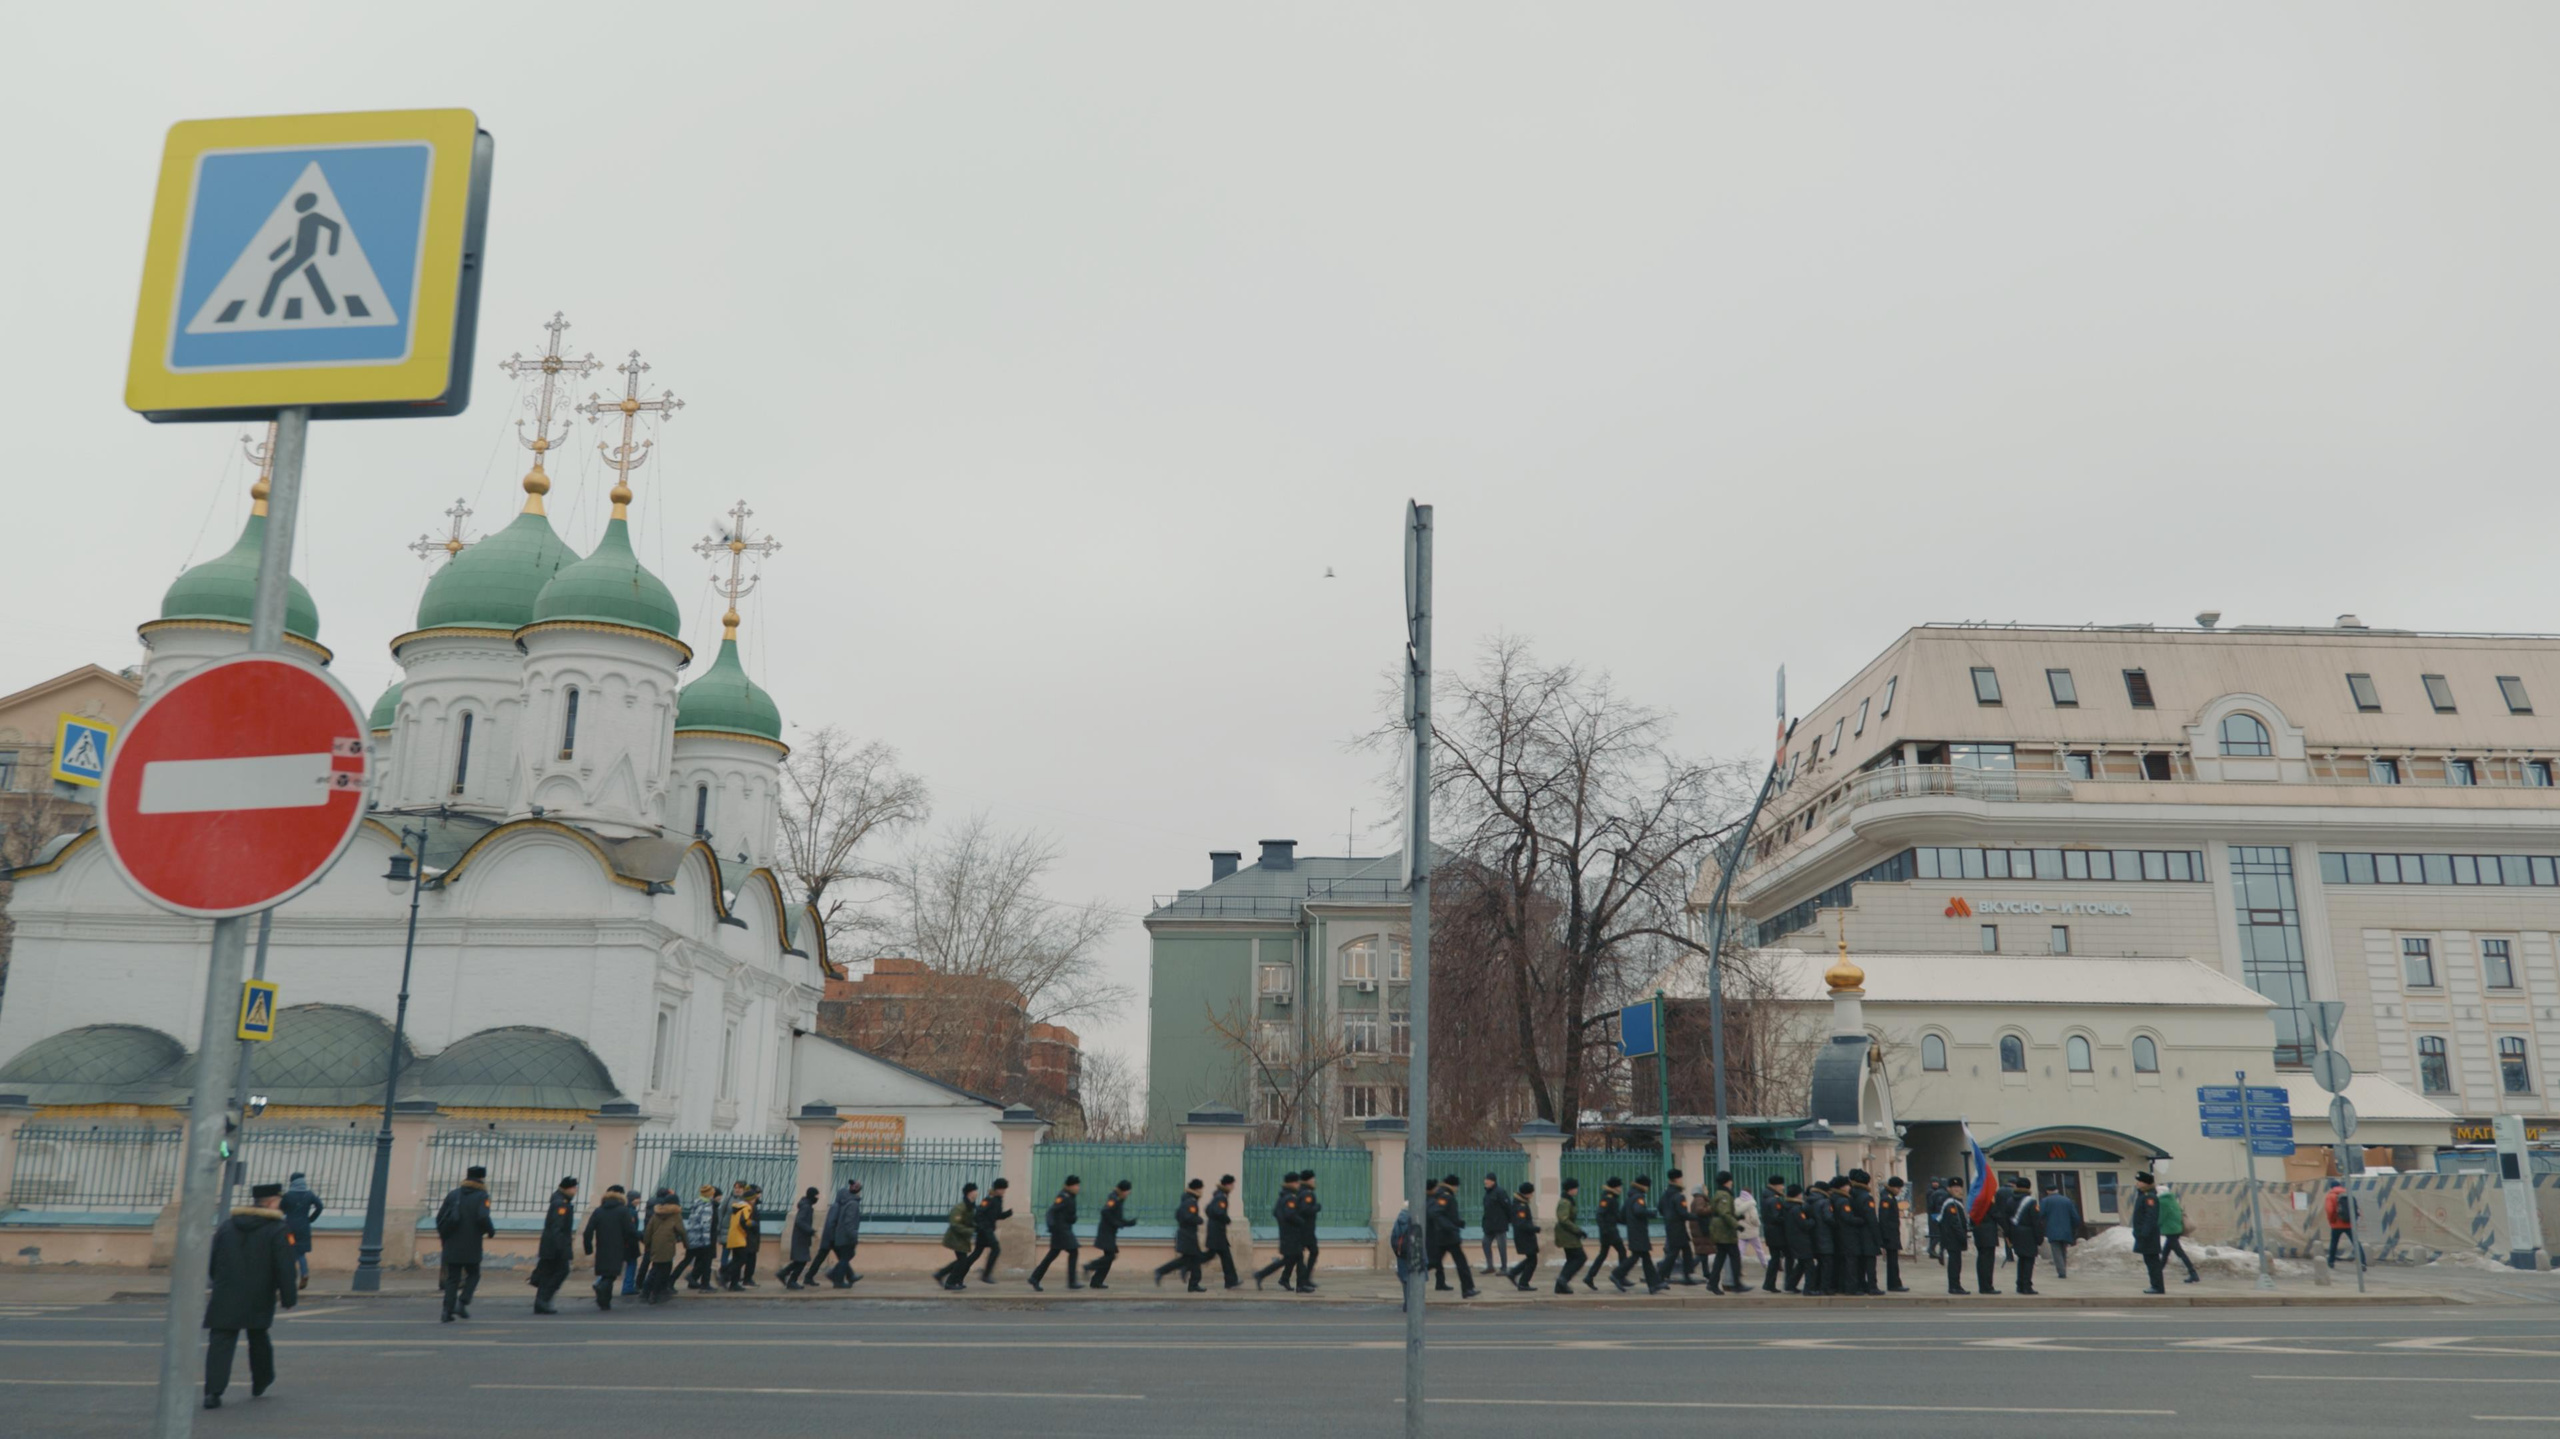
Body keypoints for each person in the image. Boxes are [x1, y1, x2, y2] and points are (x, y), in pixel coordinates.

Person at [202, 1181, 296, 1409]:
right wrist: (288, 1296)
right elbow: (285, 1267)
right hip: (259, 1294)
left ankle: (213, 1393)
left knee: (221, 1341)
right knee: (258, 1337)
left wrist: (220, 1282)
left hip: (226, 1292)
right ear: (273, 1202)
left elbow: (213, 1262)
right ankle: (261, 1382)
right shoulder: (278, 1229)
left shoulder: (227, 1226)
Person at [434, 1164, 495, 1322]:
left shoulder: (454, 1194)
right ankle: (462, 1302)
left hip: (451, 1243)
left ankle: (446, 1311)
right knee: (473, 1274)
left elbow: (440, 1217)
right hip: (471, 1243)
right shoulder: (482, 1196)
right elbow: (482, 1217)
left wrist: (445, 1237)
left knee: (452, 1278)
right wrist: (490, 1231)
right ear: (481, 1178)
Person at [583, 1184, 639, 1310]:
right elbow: (630, 1231)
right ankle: (602, 1293)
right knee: (611, 1275)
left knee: (606, 1274)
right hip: (618, 1247)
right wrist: (636, 1240)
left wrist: (588, 1248)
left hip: (602, 1247)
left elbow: (588, 1231)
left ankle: (604, 1302)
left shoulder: (598, 1210)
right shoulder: (623, 1211)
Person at [530, 1175, 579, 1314]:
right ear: (567, 1188)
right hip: (556, 1246)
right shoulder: (561, 1204)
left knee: (547, 1273)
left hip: (551, 1245)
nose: (575, 1190)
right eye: (574, 1188)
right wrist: (561, 1247)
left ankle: (541, 1302)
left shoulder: (560, 1201)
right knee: (562, 1271)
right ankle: (544, 1299)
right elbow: (557, 1227)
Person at [1427, 1173, 1480, 1298]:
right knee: (1461, 1264)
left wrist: (1458, 1222)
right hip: (1448, 1236)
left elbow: (1446, 1214)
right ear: (1453, 1185)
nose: (1457, 1189)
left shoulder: (1443, 1193)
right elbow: (1437, 1213)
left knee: (1433, 1261)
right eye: (1457, 1186)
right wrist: (1451, 1226)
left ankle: (1409, 1275)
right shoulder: (1446, 1196)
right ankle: (1467, 1289)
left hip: (1445, 1236)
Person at [1028, 1175, 1083, 1291]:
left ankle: (1035, 1278)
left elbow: (1067, 1214)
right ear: (1070, 1186)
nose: (1078, 1188)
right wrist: (1051, 1226)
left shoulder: (1070, 1196)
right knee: (1073, 1251)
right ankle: (1071, 1282)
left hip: (1063, 1230)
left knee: (1052, 1255)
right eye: (1076, 1185)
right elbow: (1051, 1211)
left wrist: (1072, 1218)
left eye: (1078, 1185)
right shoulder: (1063, 1196)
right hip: (1060, 1231)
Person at [1254, 1172, 1303, 1291]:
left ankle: (1284, 1279)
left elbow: (1276, 1212)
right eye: (1297, 1182)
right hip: (1291, 1234)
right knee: (1291, 1259)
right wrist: (1302, 1221)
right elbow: (1290, 1215)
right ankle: (1261, 1274)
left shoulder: (1282, 1196)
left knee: (1294, 1257)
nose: (1298, 1185)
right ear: (1292, 1183)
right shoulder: (1290, 1198)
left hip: (1287, 1233)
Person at [1155, 1178, 1208, 1291]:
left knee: (1192, 1259)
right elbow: (1188, 1217)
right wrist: (1199, 1220)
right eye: (1201, 1188)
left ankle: (1192, 1282)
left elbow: (1179, 1215)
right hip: (1188, 1235)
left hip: (1186, 1234)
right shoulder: (1191, 1202)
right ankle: (1162, 1271)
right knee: (1189, 1260)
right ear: (1197, 1189)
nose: (1202, 1191)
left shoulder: (1186, 1199)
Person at [1615, 1174, 1664, 1294]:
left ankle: (1654, 1284)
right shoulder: (1638, 1198)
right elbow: (1639, 1211)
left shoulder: (1630, 1197)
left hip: (1634, 1231)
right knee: (1635, 1257)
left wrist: (1630, 1223)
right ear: (1645, 1186)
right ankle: (1616, 1274)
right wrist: (1651, 1214)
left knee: (1645, 1258)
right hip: (1639, 1232)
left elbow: (1620, 1216)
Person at [277, 1172, 323, 1291]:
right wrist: (310, 1219)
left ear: (292, 1182)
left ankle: (290, 1278)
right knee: (301, 1253)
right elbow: (320, 1206)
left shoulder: (287, 1195)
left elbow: (280, 1210)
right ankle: (305, 1273)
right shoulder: (309, 1194)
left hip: (290, 1229)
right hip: (304, 1227)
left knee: (290, 1250)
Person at [642, 1189, 686, 1303]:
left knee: (655, 1268)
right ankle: (655, 1293)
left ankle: (645, 1291)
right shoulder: (676, 1215)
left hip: (655, 1245)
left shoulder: (656, 1213)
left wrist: (647, 1243)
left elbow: (648, 1230)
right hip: (667, 1245)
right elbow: (682, 1231)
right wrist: (687, 1244)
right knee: (664, 1269)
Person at [1087, 1179, 1132, 1289]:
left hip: (1110, 1232)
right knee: (1110, 1256)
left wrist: (1127, 1223)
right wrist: (1117, 1223)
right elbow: (1105, 1211)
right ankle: (1090, 1267)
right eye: (1128, 1190)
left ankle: (1096, 1281)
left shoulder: (1118, 1198)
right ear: (1123, 1190)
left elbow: (1116, 1216)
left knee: (1109, 1256)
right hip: (1106, 1232)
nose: (1129, 1193)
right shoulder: (1114, 1198)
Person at [820, 1178, 865, 1289]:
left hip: (842, 1236)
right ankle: (837, 1280)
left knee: (846, 1258)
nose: (854, 1186)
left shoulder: (846, 1202)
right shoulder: (852, 1204)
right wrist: (854, 1237)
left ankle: (842, 1277)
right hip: (846, 1237)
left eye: (856, 1185)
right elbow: (849, 1223)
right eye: (853, 1185)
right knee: (845, 1258)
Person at [935, 1183, 980, 1290]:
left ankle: (940, 1274)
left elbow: (969, 1221)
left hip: (962, 1238)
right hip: (956, 1238)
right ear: (970, 1193)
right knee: (962, 1261)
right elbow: (955, 1224)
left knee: (961, 1261)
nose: (977, 1193)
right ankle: (950, 1282)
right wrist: (971, 1230)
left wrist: (976, 1226)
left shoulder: (970, 1206)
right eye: (975, 1191)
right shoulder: (960, 1207)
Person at [1703, 1172, 1742, 1294]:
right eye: (1731, 1180)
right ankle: (1736, 1283)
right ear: (1727, 1181)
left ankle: (1713, 1283)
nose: (1732, 1183)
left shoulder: (1721, 1193)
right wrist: (1737, 1225)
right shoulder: (1724, 1195)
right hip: (1724, 1232)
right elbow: (1724, 1213)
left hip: (1721, 1230)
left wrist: (1738, 1217)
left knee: (1720, 1257)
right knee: (1735, 1256)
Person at [1844, 1170, 1882, 1296]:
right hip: (1867, 1235)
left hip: (1854, 1234)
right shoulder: (1866, 1197)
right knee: (1870, 1263)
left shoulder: (1849, 1196)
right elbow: (1871, 1219)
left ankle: (1860, 1285)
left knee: (1859, 1263)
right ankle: (1872, 1286)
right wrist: (1878, 1238)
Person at [2130, 1171, 2168, 1295]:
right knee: (2150, 1261)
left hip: (2149, 1236)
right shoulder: (2143, 1195)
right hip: (2145, 1234)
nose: (2137, 1183)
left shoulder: (2149, 1197)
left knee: (2153, 1262)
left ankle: (2157, 1286)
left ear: (2145, 1183)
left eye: (2139, 1181)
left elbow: (2150, 1217)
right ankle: (2155, 1285)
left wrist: (2144, 1233)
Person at [970, 1177, 1013, 1284]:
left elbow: (996, 1215)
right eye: (1002, 1189)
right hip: (985, 1230)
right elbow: (979, 1213)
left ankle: (952, 1273)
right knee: (996, 1249)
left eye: (1004, 1189)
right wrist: (983, 1227)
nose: (1004, 1191)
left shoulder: (998, 1199)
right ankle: (986, 1275)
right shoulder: (989, 1199)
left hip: (987, 1230)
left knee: (976, 1254)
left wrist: (1007, 1214)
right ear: (997, 1189)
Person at [1202, 1173, 1242, 1288]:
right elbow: (1218, 1212)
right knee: (1219, 1257)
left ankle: (1231, 1281)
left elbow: (1208, 1209)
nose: (1233, 1186)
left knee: (1224, 1257)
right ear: (1228, 1184)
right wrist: (1227, 1219)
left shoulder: (1218, 1195)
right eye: (1232, 1184)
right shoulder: (1221, 1197)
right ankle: (1188, 1265)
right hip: (1217, 1233)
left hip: (1217, 1232)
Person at [1933, 1176, 1971, 1295]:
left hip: (1953, 1238)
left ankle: (1956, 1285)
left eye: (1959, 1187)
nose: (1957, 1190)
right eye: (1954, 1187)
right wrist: (1962, 1236)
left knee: (1956, 1263)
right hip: (1952, 1238)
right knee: (1954, 1264)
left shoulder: (1955, 1201)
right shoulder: (1950, 1203)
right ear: (1949, 1189)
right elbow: (1955, 1223)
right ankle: (1954, 1286)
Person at [1659, 1169, 1697, 1284]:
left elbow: (1660, 1208)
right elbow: (1683, 1213)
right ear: (1677, 1179)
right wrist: (1697, 1217)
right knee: (1674, 1253)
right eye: (1681, 1178)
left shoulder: (1665, 1194)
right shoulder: (1679, 1196)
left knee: (1685, 1251)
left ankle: (1686, 1275)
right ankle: (1660, 1276)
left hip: (1670, 1227)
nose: (1682, 1180)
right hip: (1678, 1228)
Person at [2006, 1177, 2043, 1295]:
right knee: (2028, 1261)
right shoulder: (2031, 1202)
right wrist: (2039, 1237)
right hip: (2028, 1234)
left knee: (2021, 1259)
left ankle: (2020, 1285)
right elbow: (2036, 1221)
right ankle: (2027, 1286)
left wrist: (2009, 1235)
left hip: (2015, 1232)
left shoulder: (2010, 1200)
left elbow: (2006, 1219)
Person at [1552, 1177, 1589, 1293]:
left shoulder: (1569, 1200)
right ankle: (1562, 1279)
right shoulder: (1565, 1202)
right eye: (1575, 1188)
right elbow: (1563, 1219)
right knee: (1580, 1257)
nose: (1577, 1190)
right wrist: (1578, 1230)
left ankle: (1560, 1285)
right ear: (1570, 1189)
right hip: (1566, 1234)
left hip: (1568, 1233)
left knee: (1572, 1258)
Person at [1970, 1177, 2005, 1299]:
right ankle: (1987, 1287)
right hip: (1988, 1234)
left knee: (1982, 1260)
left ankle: (1983, 1286)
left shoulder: (1975, 1200)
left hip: (1979, 1233)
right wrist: (2007, 1228)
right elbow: (1997, 1215)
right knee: (1987, 1262)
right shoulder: (1987, 1201)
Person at [1588, 1178, 1626, 1290]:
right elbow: (1599, 1214)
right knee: (1622, 1251)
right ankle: (1620, 1276)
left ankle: (1589, 1277)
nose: (1621, 1188)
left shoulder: (1612, 1198)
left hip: (1610, 1230)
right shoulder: (1608, 1198)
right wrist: (1604, 1229)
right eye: (1619, 1186)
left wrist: (1625, 1221)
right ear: (1615, 1187)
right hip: (1609, 1232)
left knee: (1603, 1255)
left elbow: (1614, 1216)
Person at [779, 1186, 820, 1289]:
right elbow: (799, 1221)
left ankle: (783, 1273)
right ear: (811, 1196)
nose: (817, 1198)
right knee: (802, 1260)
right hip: (800, 1238)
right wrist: (811, 1231)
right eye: (816, 1196)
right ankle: (792, 1281)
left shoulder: (806, 1205)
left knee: (799, 1261)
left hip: (802, 1237)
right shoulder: (806, 1207)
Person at [719, 1184, 758, 1290]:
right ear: (750, 1200)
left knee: (737, 1259)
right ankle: (724, 1275)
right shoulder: (746, 1208)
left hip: (733, 1236)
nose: (754, 1201)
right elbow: (743, 1222)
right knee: (741, 1260)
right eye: (753, 1199)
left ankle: (734, 1284)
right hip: (741, 1237)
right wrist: (752, 1223)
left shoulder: (737, 1206)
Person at [2162, 1183, 2201, 1284]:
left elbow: (2160, 1217)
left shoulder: (2162, 1202)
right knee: (2166, 1252)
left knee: (2179, 1253)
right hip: (2176, 1230)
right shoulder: (2172, 1201)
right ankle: (2157, 1272)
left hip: (2170, 1231)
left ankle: (2193, 1273)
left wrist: (2154, 1226)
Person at [682, 1185, 720, 1290]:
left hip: (700, 1236)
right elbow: (706, 1224)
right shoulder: (708, 1205)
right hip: (706, 1237)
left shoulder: (699, 1204)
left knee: (703, 1260)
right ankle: (704, 1284)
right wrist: (706, 1240)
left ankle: (694, 1279)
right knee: (706, 1261)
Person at [1804, 1178, 1837, 1295]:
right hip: (1825, 1236)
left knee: (1819, 1263)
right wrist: (1837, 1223)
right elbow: (1828, 1218)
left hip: (1813, 1237)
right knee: (1827, 1264)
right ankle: (1824, 1288)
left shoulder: (1807, 1201)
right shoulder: (1825, 1202)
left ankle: (1814, 1286)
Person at [2041, 1184, 2080, 1279]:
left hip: (2052, 1229)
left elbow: (2040, 1215)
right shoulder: (2067, 1200)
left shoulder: (2045, 1201)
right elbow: (2075, 1217)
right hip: (2066, 1230)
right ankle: (2063, 1268)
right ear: (2057, 1190)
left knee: (2056, 1250)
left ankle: (2061, 1271)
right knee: (2063, 1250)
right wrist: (2074, 1227)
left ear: (2047, 1191)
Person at [1879, 1175, 1910, 1292]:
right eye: (1898, 1188)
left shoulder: (1890, 1197)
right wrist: (1886, 1236)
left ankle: (1895, 1282)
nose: (1899, 1191)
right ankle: (1894, 1284)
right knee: (1892, 1261)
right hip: (1890, 1234)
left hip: (1892, 1233)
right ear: (1892, 1187)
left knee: (1894, 1260)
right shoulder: (1887, 1198)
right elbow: (1884, 1218)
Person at [1479, 1173, 1515, 1277]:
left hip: (1500, 1224)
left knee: (1501, 1246)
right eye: (1485, 1180)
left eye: (1487, 1181)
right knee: (1485, 1243)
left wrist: (1508, 1220)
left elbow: (1508, 1207)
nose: (1485, 1182)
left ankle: (1504, 1268)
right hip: (1489, 1225)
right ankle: (1490, 1266)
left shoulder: (1500, 1192)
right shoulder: (1487, 1193)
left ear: (1493, 1181)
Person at [1508, 1181, 1541, 1290]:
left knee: (1531, 1259)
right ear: (1527, 1193)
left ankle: (1513, 1273)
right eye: (1531, 1193)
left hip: (1524, 1236)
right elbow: (1521, 1223)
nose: (1532, 1195)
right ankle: (1523, 1283)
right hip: (1525, 1237)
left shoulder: (1520, 1203)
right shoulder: (1521, 1206)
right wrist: (1535, 1229)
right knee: (1532, 1260)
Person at [1758, 1176, 1789, 1292]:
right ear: (1775, 1185)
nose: (1783, 1187)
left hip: (1770, 1232)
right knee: (1776, 1258)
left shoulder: (1766, 1196)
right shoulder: (1774, 1199)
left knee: (1775, 1258)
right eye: (1781, 1185)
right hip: (1776, 1233)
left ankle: (1769, 1283)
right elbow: (1776, 1217)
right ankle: (1770, 1284)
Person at [1297, 1171, 1324, 1287]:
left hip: (1303, 1229)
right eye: (1313, 1180)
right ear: (1308, 1180)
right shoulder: (1307, 1194)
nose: (1314, 1182)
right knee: (1313, 1252)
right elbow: (1304, 1210)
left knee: (1297, 1256)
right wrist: (1317, 1207)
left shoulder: (1301, 1191)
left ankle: (1291, 1278)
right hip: (1306, 1230)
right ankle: (1305, 1279)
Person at [2322, 1181, 2355, 1271]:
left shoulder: (2330, 1196)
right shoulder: (2348, 1194)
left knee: (2334, 1243)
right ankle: (2362, 1262)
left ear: (2332, 1187)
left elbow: (2329, 1210)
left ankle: (2331, 1262)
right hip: (2349, 1223)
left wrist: (2332, 1220)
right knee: (2356, 1243)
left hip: (2336, 1224)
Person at [1391, 1201, 1418, 1309]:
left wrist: (1398, 1252)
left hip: (1402, 1253)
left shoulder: (1399, 1220)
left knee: (1406, 1279)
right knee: (1416, 1278)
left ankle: (1407, 1303)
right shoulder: (1416, 1220)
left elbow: (1393, 1238)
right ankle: (1415, 1304)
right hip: (1415, 1253)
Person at [1923, 1178, 1947, 1260]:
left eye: (1937, 1182)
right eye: (1934, 1182)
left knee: (1934, 1233)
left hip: (1934, 1214)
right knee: (1938, 1233)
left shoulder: (1934, 1191)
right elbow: (1932, 1205)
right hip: (1935, 1215)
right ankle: (1932, 1249)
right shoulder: (1933, 1192)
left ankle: (1932, 1251)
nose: (1936, 1184)